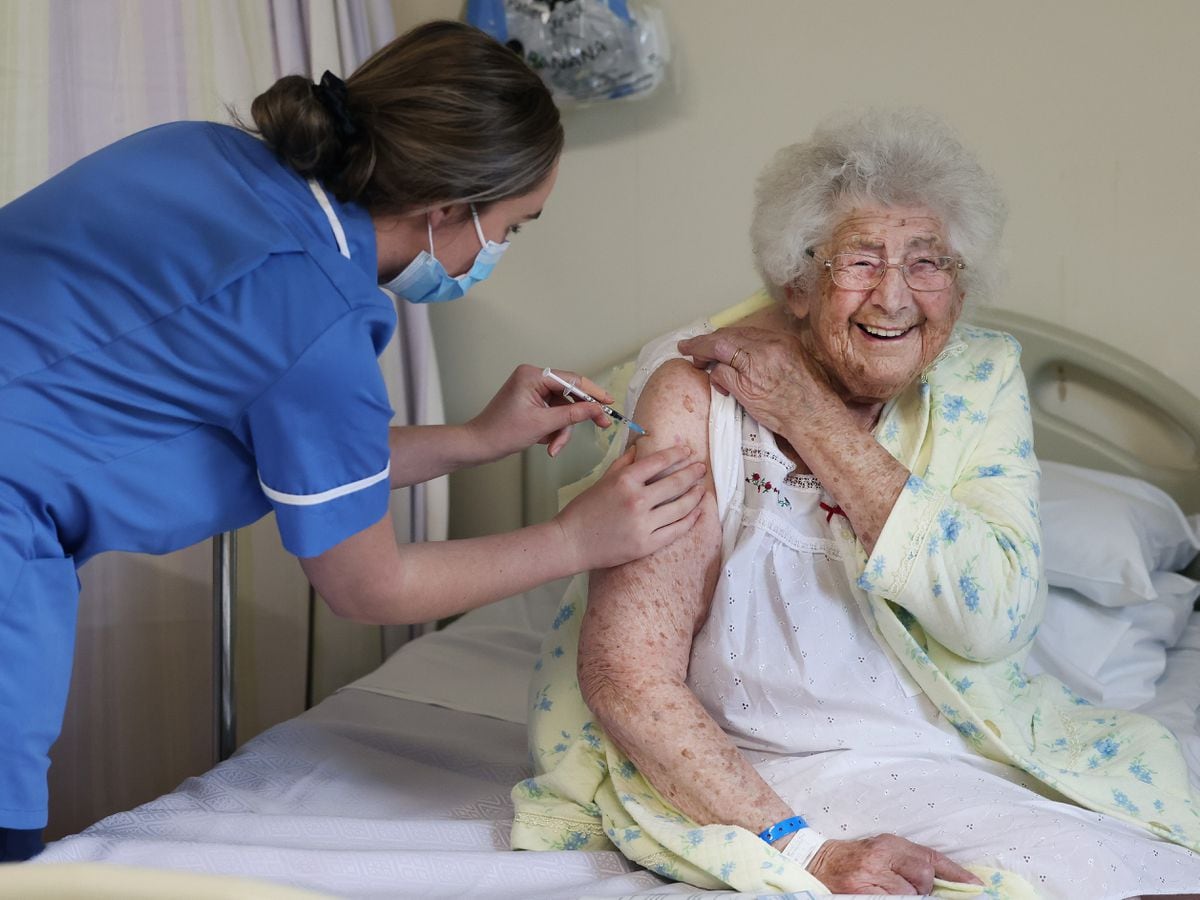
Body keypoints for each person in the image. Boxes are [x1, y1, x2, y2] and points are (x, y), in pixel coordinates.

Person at [0, 20, 705, 862]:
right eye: (513, 227)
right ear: (447, 210)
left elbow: (306, 457)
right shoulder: (318, 308)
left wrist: (478, 440)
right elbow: (370, 585)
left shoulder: (200, 157)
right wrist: (575, 538)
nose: (500, 253)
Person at [542, 109, 1200, 896]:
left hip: (960, 747)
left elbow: (993, 619)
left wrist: (813, 420)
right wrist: (805, 850)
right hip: (766, 775)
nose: (894, 297)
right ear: (794, 280)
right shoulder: (693, 399)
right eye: (859, 259)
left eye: (929, 263)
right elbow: (628, 677)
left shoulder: (979, 376)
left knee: (1152, 868)